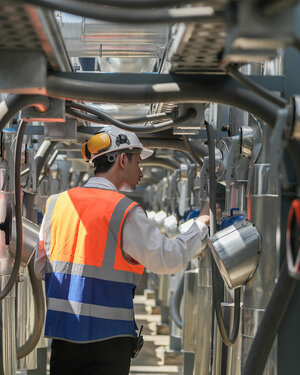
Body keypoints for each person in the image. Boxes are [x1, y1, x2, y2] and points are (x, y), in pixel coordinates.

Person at [34, 125, 210, 375]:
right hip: (109, 340)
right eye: (138, 161)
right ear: (122, 159)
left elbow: (42, 267)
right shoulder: (124, 210)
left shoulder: (57, 203)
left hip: (64, 336)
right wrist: (200, 226)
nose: (141, 171)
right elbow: (168, 259)